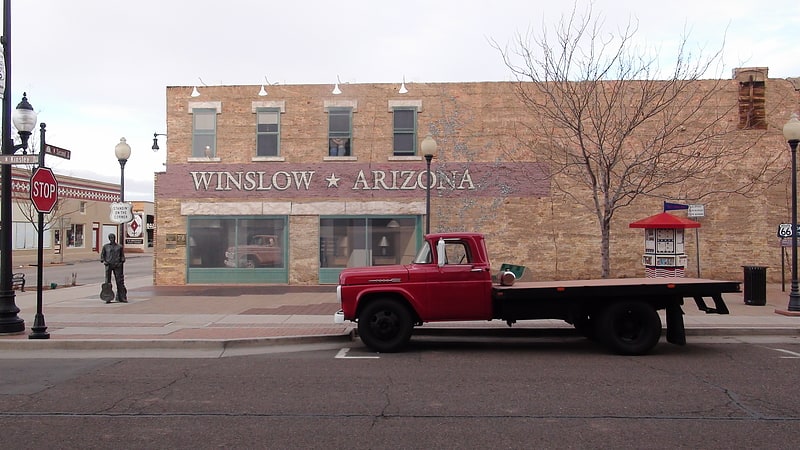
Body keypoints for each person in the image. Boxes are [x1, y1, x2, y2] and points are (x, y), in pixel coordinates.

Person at [100, 233, 127, 303]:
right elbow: (102, 256)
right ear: (109, 238)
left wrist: (121, 261)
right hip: (108, 265)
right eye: (111, 238)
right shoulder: (105, 247)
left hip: (117, 265)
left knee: (119, 281)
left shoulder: (119, 247)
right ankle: (107, 297)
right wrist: (104, 261)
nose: (112, 239)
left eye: (113, 237)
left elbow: (122, 256)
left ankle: (122, 297)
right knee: (107, 282)